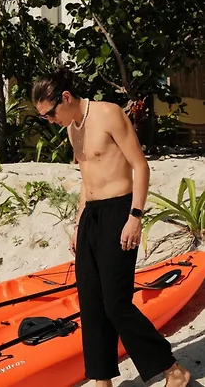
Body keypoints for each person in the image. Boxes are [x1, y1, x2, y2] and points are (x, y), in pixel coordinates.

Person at [31, 68, 190, 387]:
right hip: (90, 216)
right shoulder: (72, 130)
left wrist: (135, 216)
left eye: (50, 114)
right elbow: (86, 181)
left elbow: (140, 166)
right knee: (91, 303)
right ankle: (101, 379)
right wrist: (79, 224)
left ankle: (173, 370)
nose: (49, 121)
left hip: (120, 211)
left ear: (65, 97)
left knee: (116, 304)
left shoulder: (108, 114)